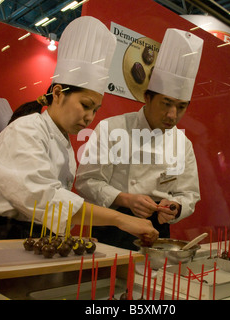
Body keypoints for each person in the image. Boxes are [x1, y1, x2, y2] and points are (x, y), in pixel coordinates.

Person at [0, 16, 159, 244]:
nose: (89, 117)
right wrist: (120, 219)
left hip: (27, 236)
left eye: (96, 110)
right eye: (85, 105)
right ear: (59, 93)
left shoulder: (61, 139)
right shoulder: (25, 130)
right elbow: (45, 198)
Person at [75, 28, 203, 250]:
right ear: (147, 98)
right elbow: (87, 182)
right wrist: (125, 199)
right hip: (112, 224)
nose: (173, 115)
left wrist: (176, 207)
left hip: (157, 229)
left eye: (181, 107)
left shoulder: (183, 144)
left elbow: (189, 193)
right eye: (166, 104)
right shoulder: (112, 128)